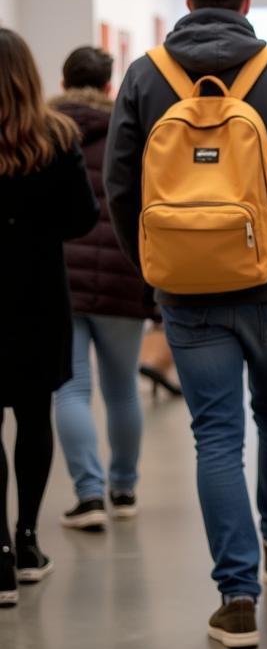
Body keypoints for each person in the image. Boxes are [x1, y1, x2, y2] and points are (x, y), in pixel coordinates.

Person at [106, 0, 267, 649]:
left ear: (186, 1)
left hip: (184, 286)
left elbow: (119, 186)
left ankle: (235, 597)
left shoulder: (147, 77)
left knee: (215, 434)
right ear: (246, 0)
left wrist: (152, 263)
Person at [0, 28, 99, 606]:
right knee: (35, 418)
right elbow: (81, 219)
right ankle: (28, 541)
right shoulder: (56, 135)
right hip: (38, 294)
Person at [49, 46, 158, 531]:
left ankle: (88, 496)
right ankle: (125, 488)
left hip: (61, 276)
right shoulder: (129, 130)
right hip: (122, 271)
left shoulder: (44, 130)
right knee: (121, 390)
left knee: (71, 387)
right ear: (110, 86)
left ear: (64, 79)